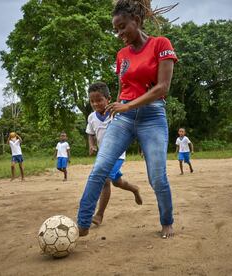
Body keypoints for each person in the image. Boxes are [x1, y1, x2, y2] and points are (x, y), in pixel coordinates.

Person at [77, 0, 177, 238]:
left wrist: (128, 104)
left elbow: (162, 87)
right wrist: (122, 106)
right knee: (100, 167)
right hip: (123, 117)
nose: (119, 34)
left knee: (157, 176)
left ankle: (167, 221)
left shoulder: (160, 44)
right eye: (116, 30)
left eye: (122, 27)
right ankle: (82, 224)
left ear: (137, 21)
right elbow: (125, 88)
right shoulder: (122, 55)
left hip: (152, 115)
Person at [86, 82, 143, 225]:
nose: (95, 104)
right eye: (92, 101)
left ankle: (99, 215)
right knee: (117, 182)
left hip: (118, 154)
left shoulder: (116, 114)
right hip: (103, 155)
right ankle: (134, 189)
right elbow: (91, 134)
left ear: (108, 99)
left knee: (105, 181)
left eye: (99, 100)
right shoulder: (91, 117)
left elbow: (132, 129)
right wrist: (92, 145)